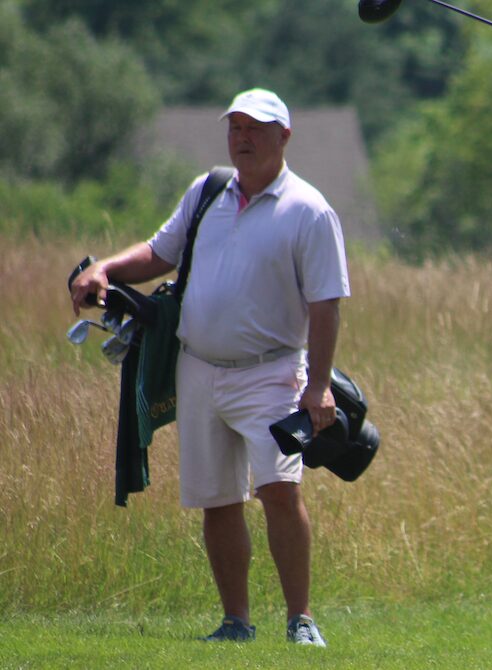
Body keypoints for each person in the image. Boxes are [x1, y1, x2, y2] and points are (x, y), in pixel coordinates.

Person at [70, 88, 350, 647]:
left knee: (278, 490)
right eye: (236, 127)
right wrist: (105, 267)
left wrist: (318, 386)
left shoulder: (310, 209)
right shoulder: (209, 190)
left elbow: (326, 304)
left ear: (284, 136)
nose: (243, 137)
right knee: (216, 498)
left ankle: (301, 619)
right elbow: (158, 253)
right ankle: (236, 622)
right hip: (199, 367)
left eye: (256, 128)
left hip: (272, 373)